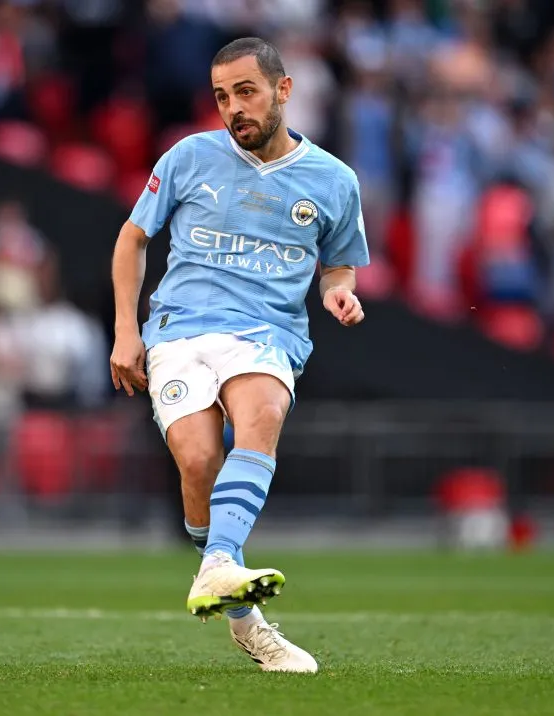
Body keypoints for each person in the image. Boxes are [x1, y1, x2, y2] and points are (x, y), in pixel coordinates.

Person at [109, 37, 369, 674]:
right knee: (198, 462)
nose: (233, 109)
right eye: (222, 96)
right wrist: (125, 329)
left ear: (283, 90)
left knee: (262, 411)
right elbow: (132, 239)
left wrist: (339, 295)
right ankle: (242, 616)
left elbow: (338, 268)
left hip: (266, 333)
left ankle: (221, 566)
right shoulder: (191, 156)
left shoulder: (335, 181)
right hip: (177, 330)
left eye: (246, 93)